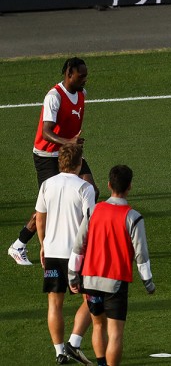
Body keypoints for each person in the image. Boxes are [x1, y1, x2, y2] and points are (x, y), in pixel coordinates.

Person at [10, 57, 97, 266]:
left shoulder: (81, 94)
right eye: (81, 75)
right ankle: (19, 244)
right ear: (69, 74)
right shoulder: (54, 97)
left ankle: (81, 240)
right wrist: (70, 141)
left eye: (86, 75)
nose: (85, 79)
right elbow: (47, 132)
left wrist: (70, 144)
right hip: (47, 155)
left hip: (68, 151)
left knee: (91, 189)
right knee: (49, 204)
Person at [69, 165, 155, 366]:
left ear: (109, 185)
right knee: (115, 333)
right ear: (129, 187)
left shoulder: (94, 211)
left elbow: (78, 244)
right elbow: (141, 254)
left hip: (90, 279)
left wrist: (73, 274)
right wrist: (148, 282)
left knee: (98, 325)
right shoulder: (133, 217)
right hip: (115, 283)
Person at [36, 142, 97, 365]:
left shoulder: (47, 185)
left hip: (52, 251)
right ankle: (75, 341)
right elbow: (90, 222)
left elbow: (40, 217)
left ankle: (59, 351)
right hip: (77, 253)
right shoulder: (84, 188)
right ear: (79, 163)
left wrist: (43, 244)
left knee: (55, 303)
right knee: (92, 297)